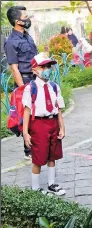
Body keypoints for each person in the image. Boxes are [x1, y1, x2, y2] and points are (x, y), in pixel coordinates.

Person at [22, 53, 66, 196]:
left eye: (49, 66)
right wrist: (25, 133)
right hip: (38, 125)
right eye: (43, 67)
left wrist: (61, 126)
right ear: (34, 69)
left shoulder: (54, 87)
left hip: (52, 122)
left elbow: (58, 108)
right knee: (38, 157)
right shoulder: (31, 88)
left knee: (52, 155)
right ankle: (35, 188)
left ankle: (51, 184)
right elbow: (27, 111)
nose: (47, 69)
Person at [4, 5, 37, 160]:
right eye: (25, 17)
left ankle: (37, 142)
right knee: (27, 115)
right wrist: (23, 89)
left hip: (36, 77)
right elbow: (14, 68)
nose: (28, 19)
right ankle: (28, 150)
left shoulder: (27, 36)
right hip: (24, 80)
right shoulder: (11, 42)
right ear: (18, 21)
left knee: (37, 113)